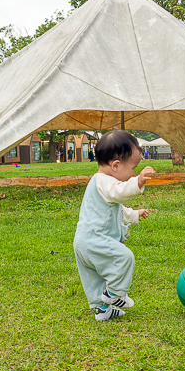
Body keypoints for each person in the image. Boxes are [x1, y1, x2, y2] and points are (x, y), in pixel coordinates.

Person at [72, 130, 154, 321]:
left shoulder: (99, 183)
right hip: (96, 240)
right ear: (116, 165)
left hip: (83, 242)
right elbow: (120, 193)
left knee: (97, 279)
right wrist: (138, 181)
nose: (133, 172)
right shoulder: (105, 181)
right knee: (125, 258)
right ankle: (114, 294)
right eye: (132, 168)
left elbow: (115, 208)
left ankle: (103, 310)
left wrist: (134, 214)